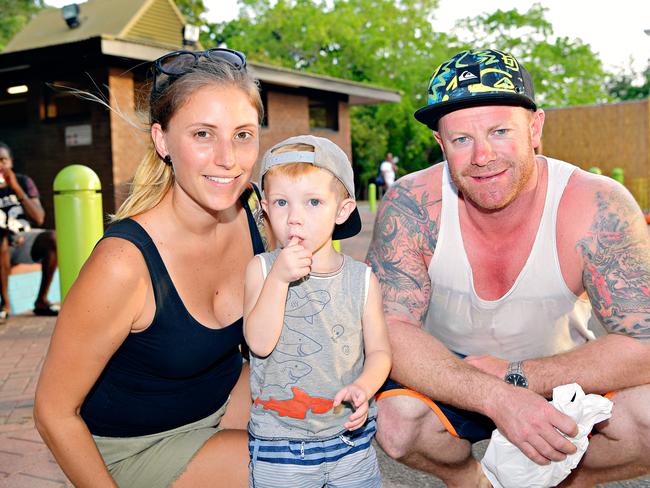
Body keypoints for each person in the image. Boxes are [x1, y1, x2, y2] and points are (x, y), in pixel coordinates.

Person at [367, 48, 650, 487]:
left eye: (500, 131)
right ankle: (471, 480)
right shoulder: (412, 203)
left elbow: (645, 341)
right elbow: (390, 328)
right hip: (452, 374)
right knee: (397, 423)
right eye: (461, 139)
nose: (482, 156)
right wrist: (496, 395)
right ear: (441, 144)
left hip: (565, 371)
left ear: (535, 128)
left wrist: (521, 377)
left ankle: (562, 481)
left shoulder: (597, 204)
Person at [34, 47, 268, 487]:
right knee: (295, 472)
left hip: (219, 403)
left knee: (330, 439)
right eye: (203, 134)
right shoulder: (124, 263)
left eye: (242, 134)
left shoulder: (251, 216)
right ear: (162, 141)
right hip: (136, 447)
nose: (228, 159)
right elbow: (52, 412)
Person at [244, 135, 391, 487]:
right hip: (280, 446)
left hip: (349, 442)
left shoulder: (362, 279)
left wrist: (364, 386)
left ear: (342, 210)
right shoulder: (261, 270)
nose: (294, 218)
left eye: (312, 202)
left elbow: (381, 352)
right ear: (265, 208)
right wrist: (279, 279)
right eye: (281, 202)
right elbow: (259, 344)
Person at [0, 142, 59, 322]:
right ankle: (5, 305)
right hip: (2, 243)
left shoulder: (24, 182)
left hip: (24, 239)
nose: (0, 166)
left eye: (3, 160)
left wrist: (16, 187)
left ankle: (41, 300)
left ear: (11, 162)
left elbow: (39, 217)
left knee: (54, 238)